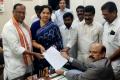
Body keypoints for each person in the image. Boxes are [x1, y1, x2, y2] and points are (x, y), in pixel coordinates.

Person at [1, 3, 43, 80]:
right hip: (16, 67)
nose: (22, 15)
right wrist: (34, 54)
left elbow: (29, 42)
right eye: (19, 12)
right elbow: (16, 49)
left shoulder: (24, 25)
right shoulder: (9, 27)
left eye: (23, 13)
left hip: (27, 64)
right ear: (13, 12)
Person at [30, 5, 63, 77]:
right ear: (40, 14)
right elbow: (32, 41)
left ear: (51, 14)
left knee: (52, 76)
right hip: (39, 57)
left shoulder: (54, 26)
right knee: (40, 76)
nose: (45, 15)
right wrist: (40, 46)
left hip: (52, 57)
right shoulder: (34, 25)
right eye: (43, 12)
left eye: (48, 13)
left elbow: (59, 42)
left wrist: (52, 49)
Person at [101, 1, 120, 80]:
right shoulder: (105, 24)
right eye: (103, 14)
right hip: (105, 62)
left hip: (116, 64)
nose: (104, 17)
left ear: (114, 13)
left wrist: (109, 59)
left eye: (105, 14)